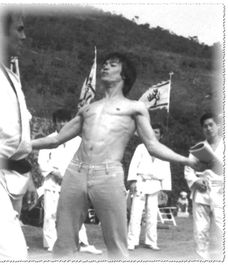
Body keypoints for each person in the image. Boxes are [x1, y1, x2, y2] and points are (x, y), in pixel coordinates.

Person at [32, 52, 198, 259]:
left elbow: (153, 146)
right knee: (64, 241)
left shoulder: (135, 107)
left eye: (112, 65)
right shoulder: (88, 108)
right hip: (75, 172)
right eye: (105, 64)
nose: (105, 67)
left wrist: (186, 160)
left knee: (117, 244)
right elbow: (55, 139)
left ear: (124, 75)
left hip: (108, 175)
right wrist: (20, 145)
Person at [0, 8, 37, 260]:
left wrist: (27, 172)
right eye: (19, 29)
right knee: (14, 254)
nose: (24, 36)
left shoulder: (9, 76)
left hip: (14, 174)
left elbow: (15, 136)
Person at [37, 109, 102, 254]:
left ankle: (82, 242)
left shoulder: (78, 141)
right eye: (59, 121)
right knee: (51, 214)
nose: (63, 124)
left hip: (72, 183)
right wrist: (56, 173)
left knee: (76, 214)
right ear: (55, 122)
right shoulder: (48, 139)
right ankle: (51, 243)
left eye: (66, 121)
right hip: (52, 183)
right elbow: (42, 163)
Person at [184, 113, 223, 259]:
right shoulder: (198, 148)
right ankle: (202, 259)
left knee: (222, 227)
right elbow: (188, 169)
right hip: (201, 190)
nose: (208, 128)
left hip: (221, 189)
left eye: (211, 125)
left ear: (218, 126)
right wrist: (195, 181)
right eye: (205, 126)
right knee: (200, 230)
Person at [127, 123, 171, 251]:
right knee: (136, 213)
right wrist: (133, 181)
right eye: (152, 131)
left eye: (156, 132)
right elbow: (133, 165)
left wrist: (164, 189)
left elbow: (166, 171)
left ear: (161, 135)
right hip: (141, 181)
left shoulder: (164, 150)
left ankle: (151, 241)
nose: (153, 134)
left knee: (152, 214)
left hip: (156, 184)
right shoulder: (141, 147)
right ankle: (132, 241)